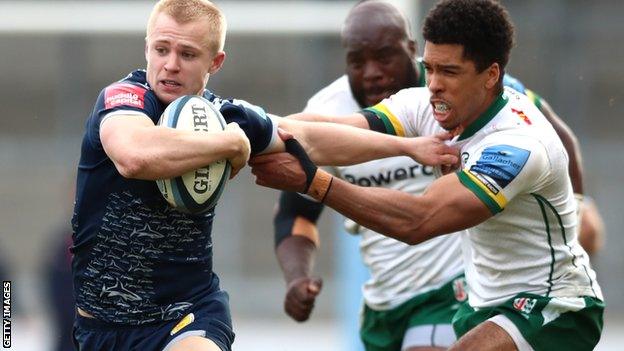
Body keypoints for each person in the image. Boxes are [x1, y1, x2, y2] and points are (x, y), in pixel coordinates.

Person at [70, 1, 458, 350]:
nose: (171, 64)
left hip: (187, 314)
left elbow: (308, 138)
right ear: (147, 48)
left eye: (187, 54)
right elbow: (135, 156)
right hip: (102, 326)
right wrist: (230, 146)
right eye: (161, 49)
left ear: (215, 62)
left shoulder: (226, 115)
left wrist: (408, 147)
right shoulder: (124, 99)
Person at [250, 1, 604, 350]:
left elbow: (420, 221)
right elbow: (321, 132)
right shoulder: (424, 102)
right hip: (466, 304)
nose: (433, 83)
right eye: (430, 69)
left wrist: (314, 182)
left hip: (548, 306)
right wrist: (238, 130)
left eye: (448, 71)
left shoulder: (516, 145)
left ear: (490, 76)